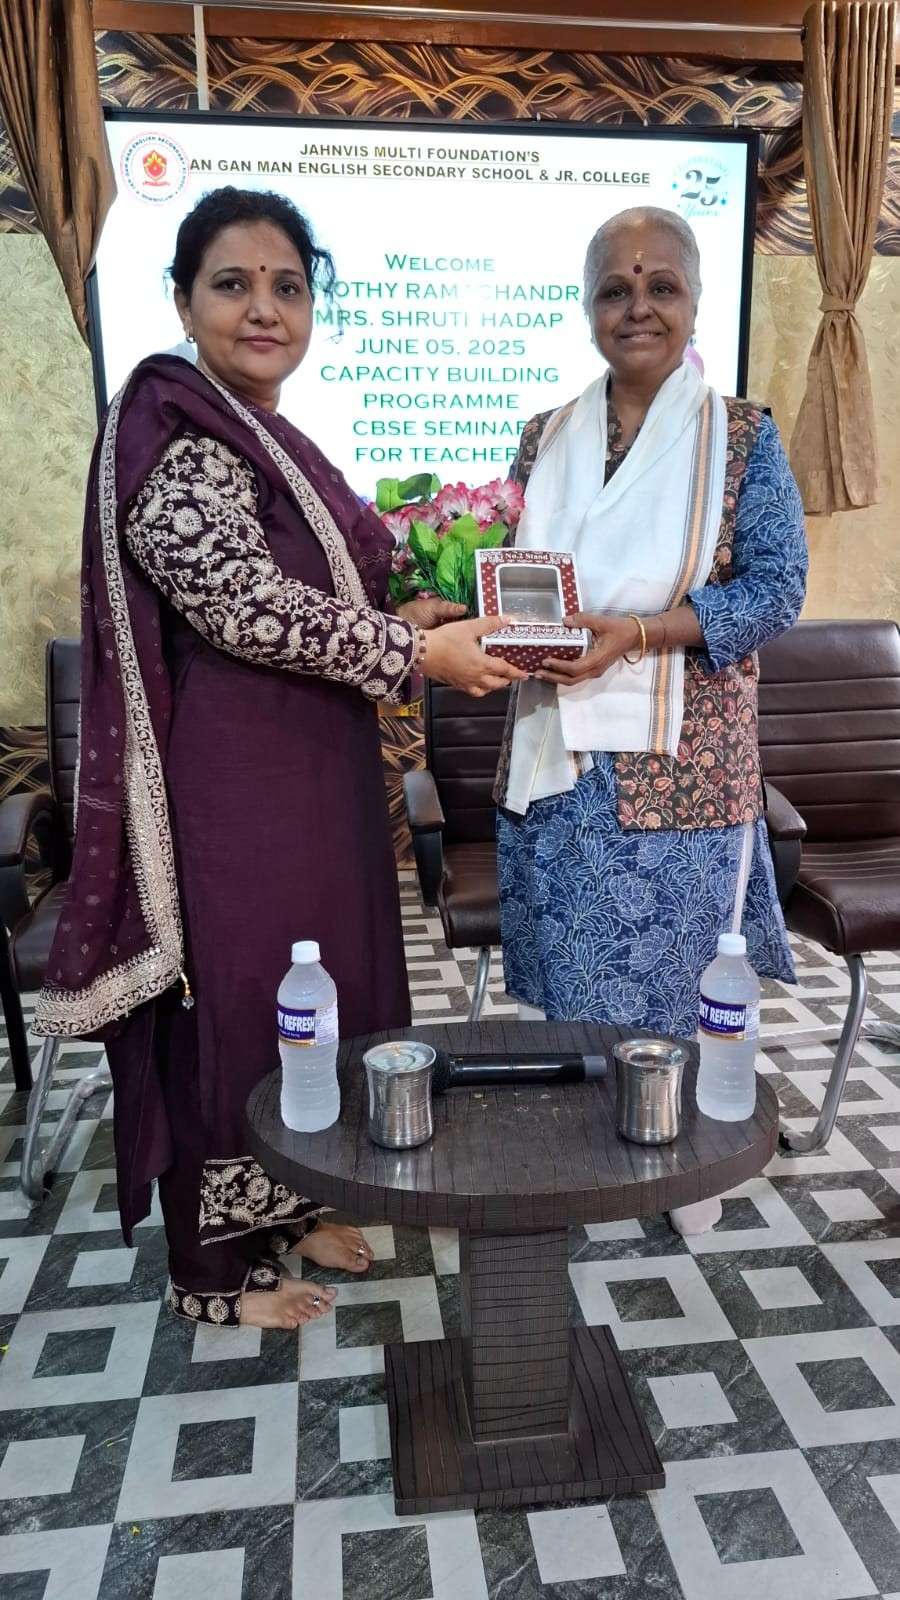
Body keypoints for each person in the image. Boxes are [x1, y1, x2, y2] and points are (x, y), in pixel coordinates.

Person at [34, 187, 524, 1327]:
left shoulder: (262, 435)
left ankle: (289, 1207)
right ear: (181, 301)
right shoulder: (174, 428)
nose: (264, 308)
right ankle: (211, 1273)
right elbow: (240, 604)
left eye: (288, 287)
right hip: (235, 789)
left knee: (322, 990)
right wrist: (417, 652)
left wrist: (412, 611)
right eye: (233, 284)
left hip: (313, 772)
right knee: (240, 1003)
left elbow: (309, 594)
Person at [495, 206, 807, 1233]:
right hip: (561, 762)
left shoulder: (744, 438)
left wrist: (635, 633)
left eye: (661, 285)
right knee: (579, 984)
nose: (638, 306)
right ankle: (600, 1147)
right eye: (615, 289)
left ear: (696, 302)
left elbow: (775, 590)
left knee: (681, 986)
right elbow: (513, 579)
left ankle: (683, 1166)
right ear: (588, 309)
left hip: (683, 768)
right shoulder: (544, 435)